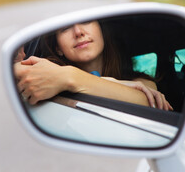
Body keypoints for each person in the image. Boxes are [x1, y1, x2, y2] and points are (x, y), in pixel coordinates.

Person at [14, 20, 173, 111]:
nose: (78, 32)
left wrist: (68, 77)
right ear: (58, 49)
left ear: (101, 31)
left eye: (86, 21)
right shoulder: (47, 76)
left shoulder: (143, 83)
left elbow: (146, 102)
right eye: (65, 28)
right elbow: (17, 72)